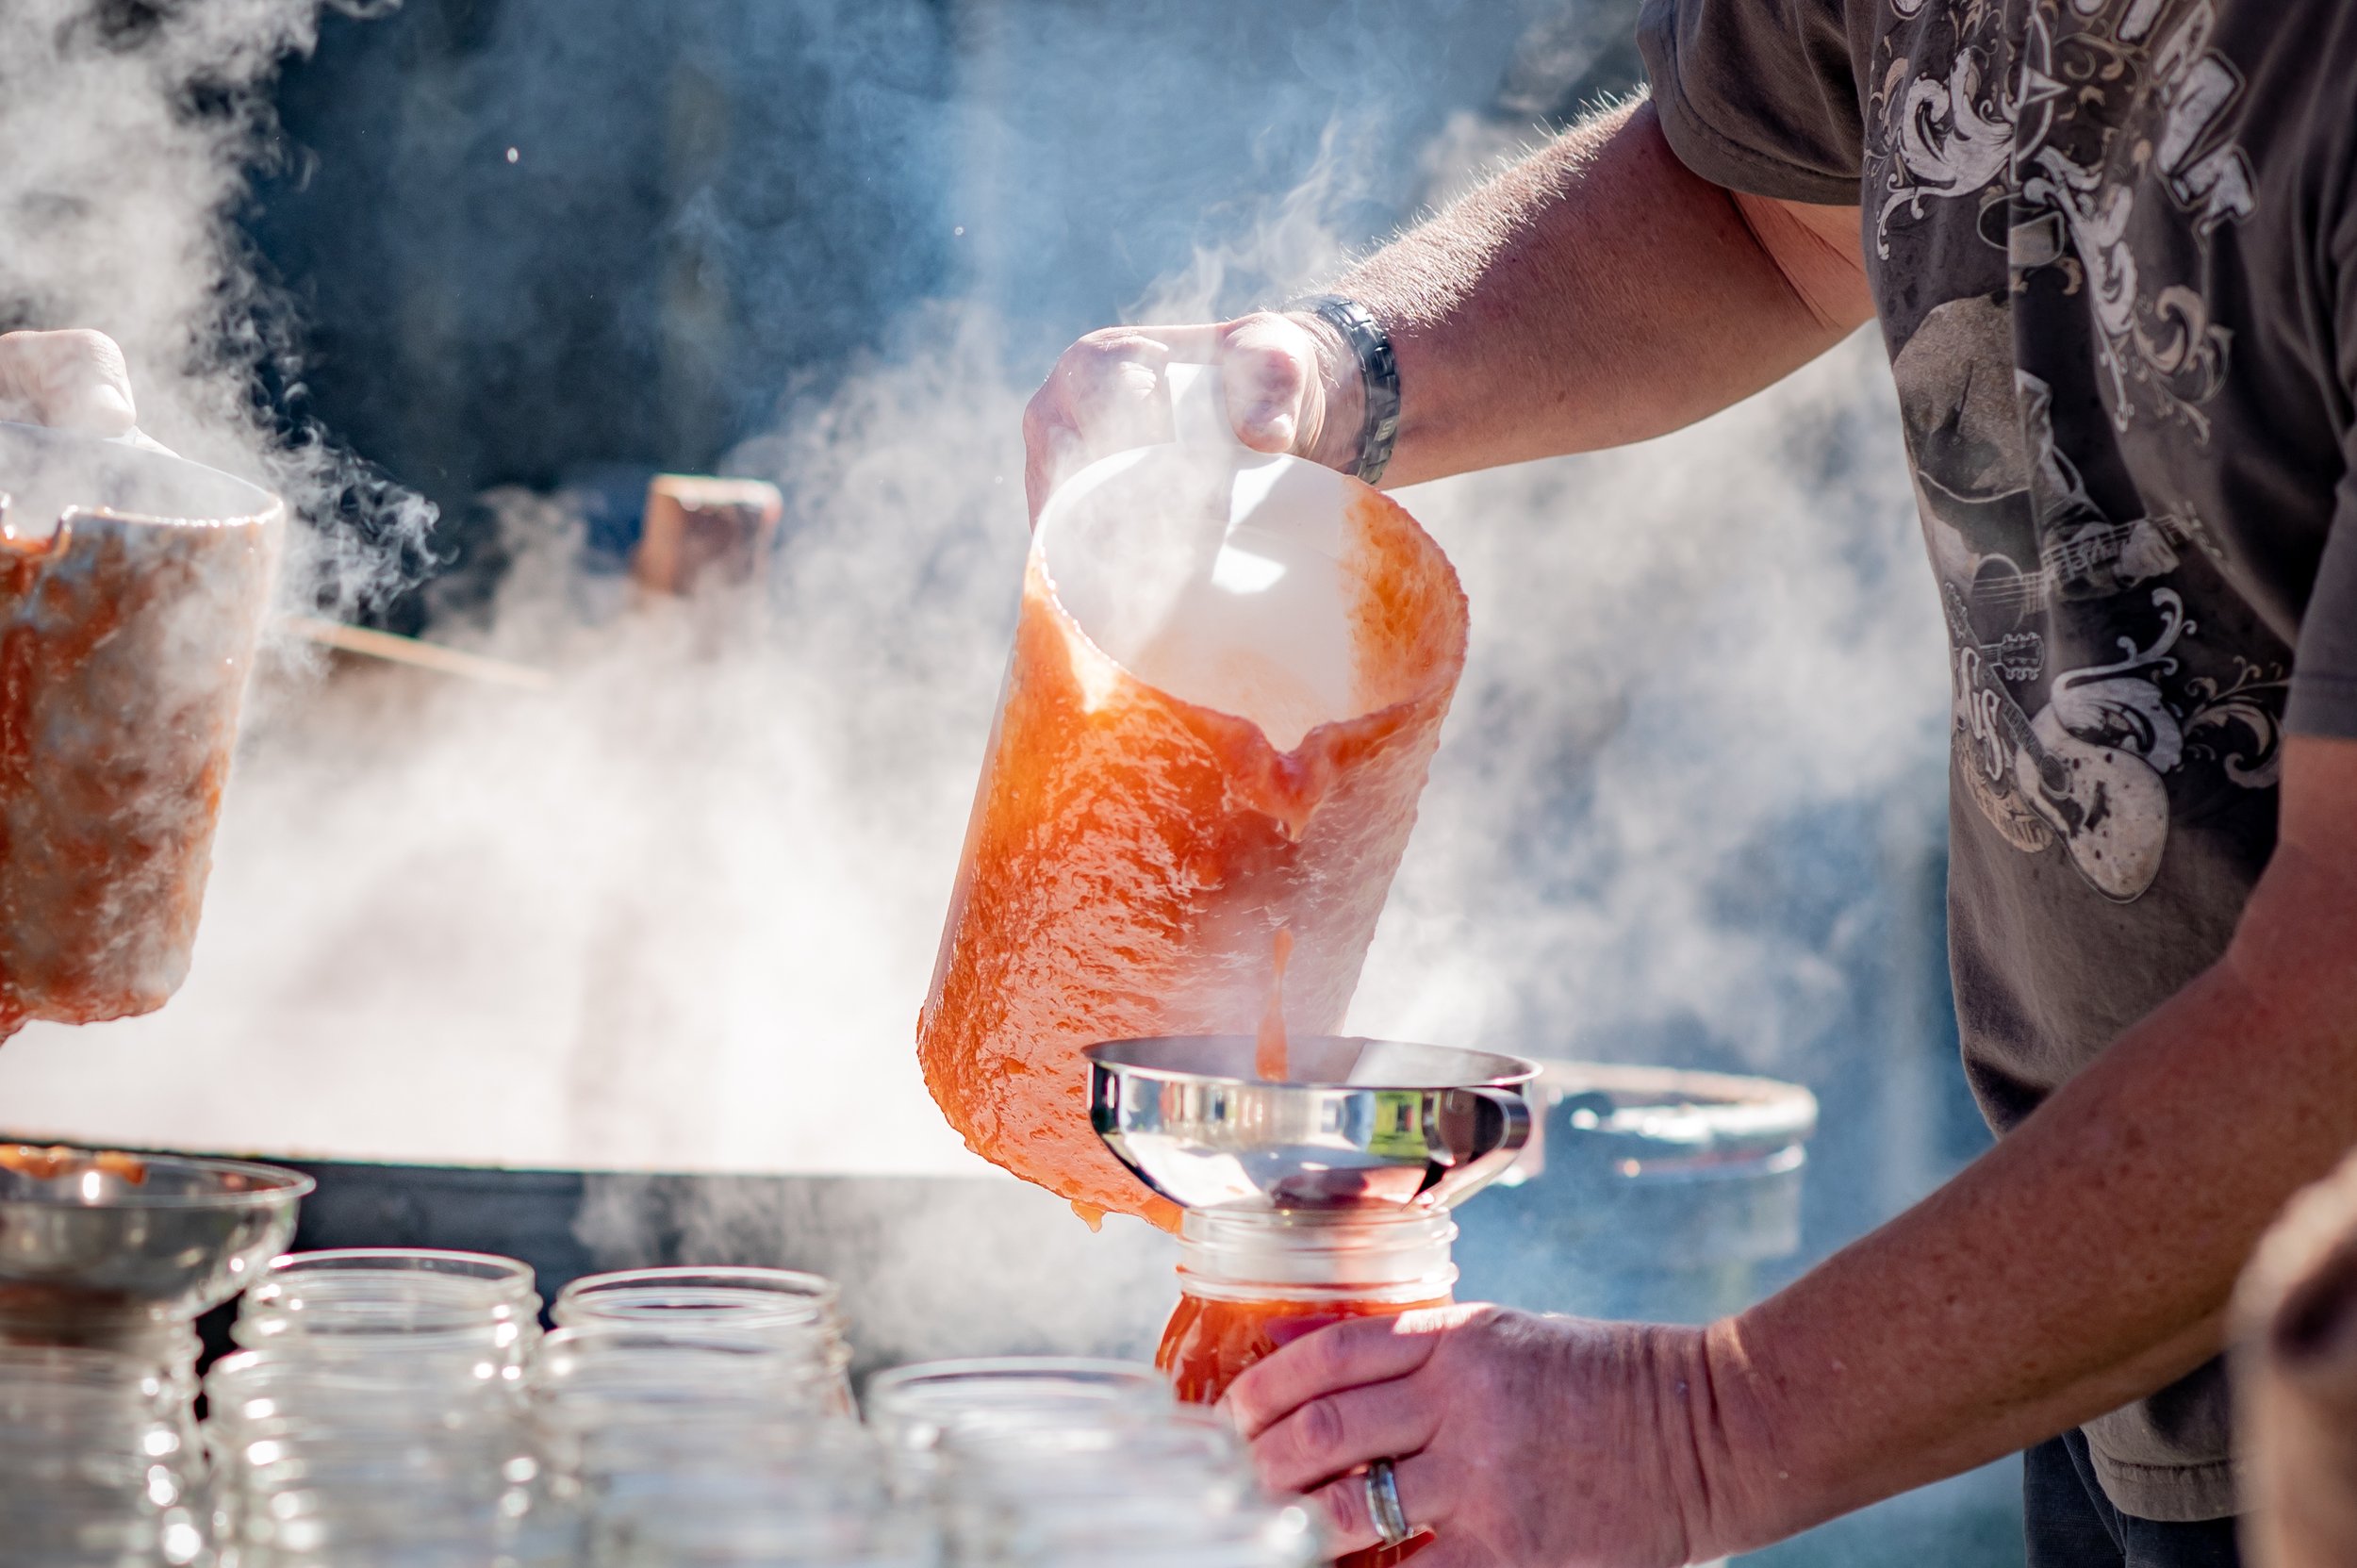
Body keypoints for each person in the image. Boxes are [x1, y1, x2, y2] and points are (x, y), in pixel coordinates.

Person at [1022, 3, 2357, 1563]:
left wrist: (1703, 1430)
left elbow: (2332, 1017)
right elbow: (1763, 209)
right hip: (2103, 1332)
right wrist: (1343, 373)